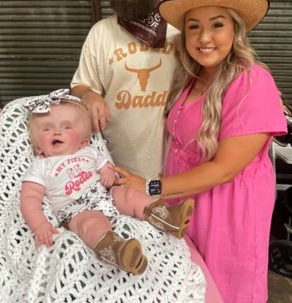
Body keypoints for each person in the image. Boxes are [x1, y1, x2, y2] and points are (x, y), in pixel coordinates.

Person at [113, 0, 288, 302]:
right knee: (191, 285)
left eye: (217, 24)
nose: (204, 37)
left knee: (228, 289)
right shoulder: (192, 78)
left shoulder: (251, 82)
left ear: (236, 29)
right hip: (187, 202)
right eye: (194, 26)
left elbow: (224, 169)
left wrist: (150, 187)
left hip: (229, 211)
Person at [20, 89, 193, 275]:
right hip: (77, 211)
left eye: (66, 127)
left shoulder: (89, 153)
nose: (56, 131)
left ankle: (167, 217)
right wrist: (39, 225)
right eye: (47, 129)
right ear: (38, 148)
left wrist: (107, 174)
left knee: (130, 194)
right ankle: (117, 251)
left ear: (83, 141)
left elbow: (106, 166)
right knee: (91, 226)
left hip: (105, 194)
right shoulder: (41, 166)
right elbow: (29, 198)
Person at [70, 0, 179, 179]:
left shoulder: (181, 20)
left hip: (180, 169)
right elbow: (81, 85)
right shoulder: (100, 33)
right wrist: (88, 95)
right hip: (119, 171)